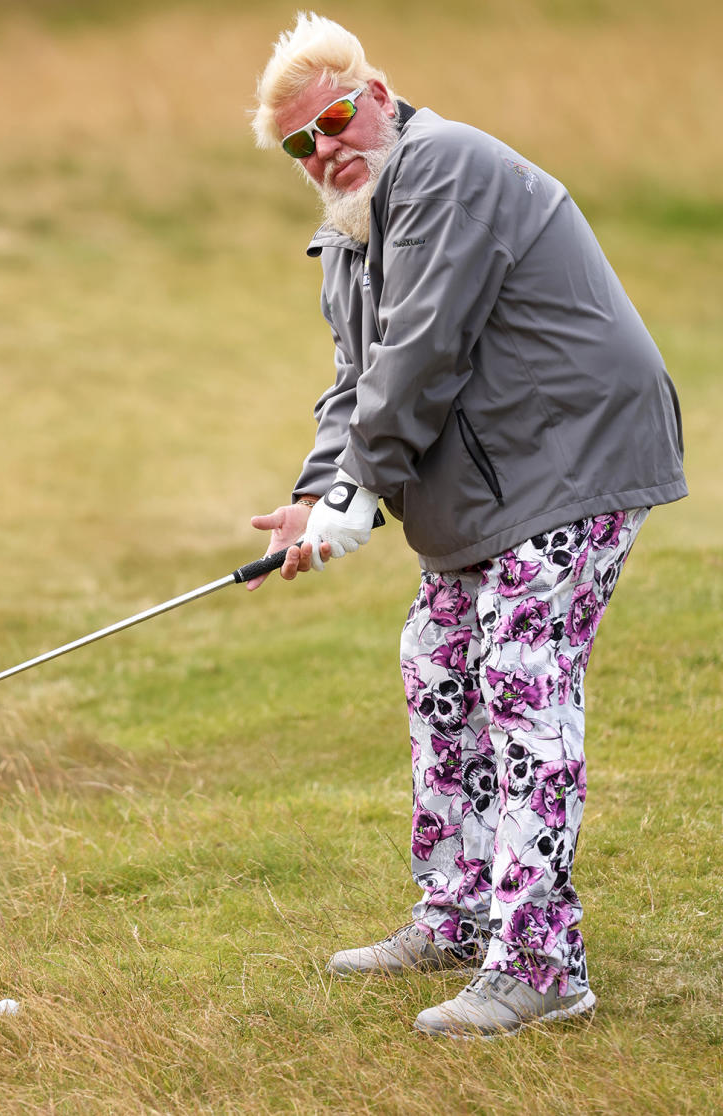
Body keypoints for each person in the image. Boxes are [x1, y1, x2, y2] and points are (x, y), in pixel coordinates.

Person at [246, 12, 687, 1039]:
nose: (326, 151)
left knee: (519, 687)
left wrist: (356, 495)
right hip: (490, 489)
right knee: (438, 669)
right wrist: (316, 498)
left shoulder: (447, 167)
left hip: (575, 460)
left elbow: (423, 353)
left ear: (382, 95)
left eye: (339, 120)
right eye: (301, 144)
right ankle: (458, 916)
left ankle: (542, 967)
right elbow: (358, 381)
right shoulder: (348, 229)